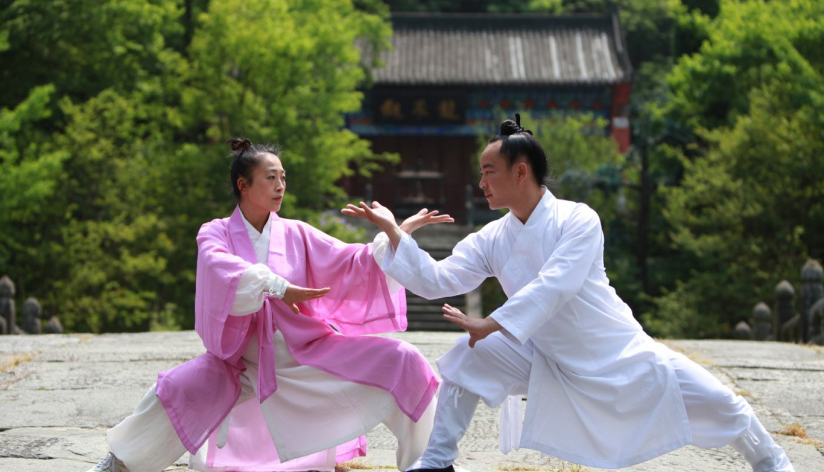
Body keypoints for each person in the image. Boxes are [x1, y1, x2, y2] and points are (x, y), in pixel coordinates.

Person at [343, 115, 795, 472]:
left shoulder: (579, 219)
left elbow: (555, 284)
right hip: (544, 353)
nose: (481, 183)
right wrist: (396, 233)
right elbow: (439, 280)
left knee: (721, 403)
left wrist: (492, 322)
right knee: (468, 356)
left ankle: (772, 461)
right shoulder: (493, 237)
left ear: (521, 172)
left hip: (615, 351)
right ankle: (438, 460)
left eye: (489, 172)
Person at [86, 138, 448, 472]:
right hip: (242, 362)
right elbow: (222, 270)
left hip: (306, 354)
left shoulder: (297, 233)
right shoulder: (215, 232)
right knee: (174, 391)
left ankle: (428, 463)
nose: (280, 186)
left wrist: (396, 232)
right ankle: (120, 463)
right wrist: (277, 286)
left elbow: (352, 263)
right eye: (270, 177)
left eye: (283, 177)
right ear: (243, 185)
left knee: (404, 360)